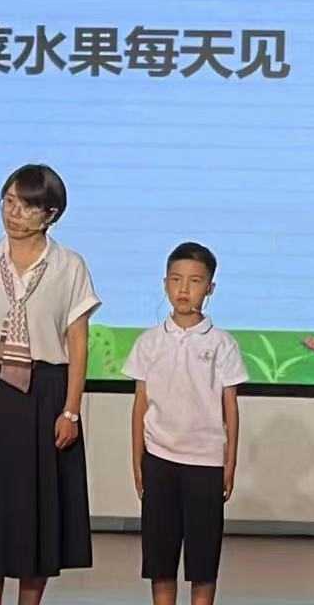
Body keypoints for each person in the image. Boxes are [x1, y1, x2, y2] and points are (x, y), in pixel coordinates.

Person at [0, 163, 101, 605]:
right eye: (8, 202)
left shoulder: (69, 266)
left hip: (44, 391)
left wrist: (71, 411)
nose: (13, 213)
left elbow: (77, 343)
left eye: (26, 206)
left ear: (50, 214)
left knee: (36, 512)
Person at [124, 242, 246, 605]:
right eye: (176, 279)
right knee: (161, 561)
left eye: (194, 281)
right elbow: (140, 404)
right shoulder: (149, 342)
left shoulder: (222, 343)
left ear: (210, 288)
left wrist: (229, 462)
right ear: (165, 283)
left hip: (205, 462)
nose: (183, 289)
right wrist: (137, 459)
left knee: (203, 562)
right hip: (159, 458)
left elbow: (230, 406)